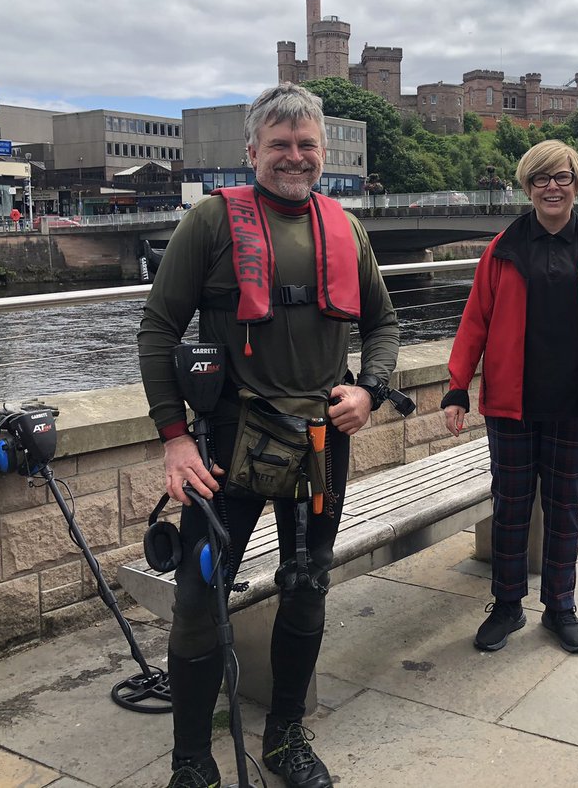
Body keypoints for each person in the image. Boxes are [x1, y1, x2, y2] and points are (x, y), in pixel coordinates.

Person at [138, 83, 399, 788]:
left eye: (305, 144)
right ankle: (192, 761)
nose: (293, 157)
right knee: (198, 602)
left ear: (323, 153)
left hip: (320, 442)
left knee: (307, 586)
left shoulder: (347, 229)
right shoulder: (212, 222)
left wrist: (368, 388)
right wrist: (174, 437)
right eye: (279, 145)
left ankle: (285, 736)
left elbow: (383, 324)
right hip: (226, 443)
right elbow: (158, 329)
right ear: (252, 151)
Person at [441, 139, 578, 655]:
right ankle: (507, 606)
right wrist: (456, 386)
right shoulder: (502, 248)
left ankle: (561, 607)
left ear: (577, 184)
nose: (552, 187)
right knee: (511, 507)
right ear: (528, 186)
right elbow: (475, 321)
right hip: (512, 405)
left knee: (565, 508)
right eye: (541, 178)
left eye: (561, 177)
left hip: (574, 403)